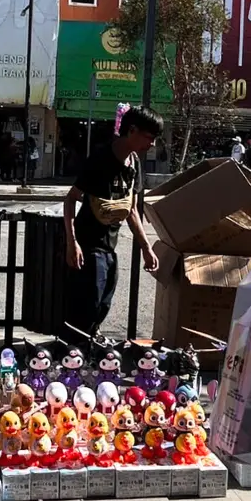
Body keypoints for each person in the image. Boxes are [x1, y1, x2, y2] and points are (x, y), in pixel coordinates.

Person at [62, 105, 163, 338]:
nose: (153, 144)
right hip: (88, 245)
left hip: (110, 248)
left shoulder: (134, 163)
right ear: (132, 131)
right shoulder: (100, 159)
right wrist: (72, 243)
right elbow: (71, 200)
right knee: (86, 308)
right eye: (149, 137)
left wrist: (147, 248)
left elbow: (131, 210)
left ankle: (88, 349)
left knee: (103, 305)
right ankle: (73, 359)